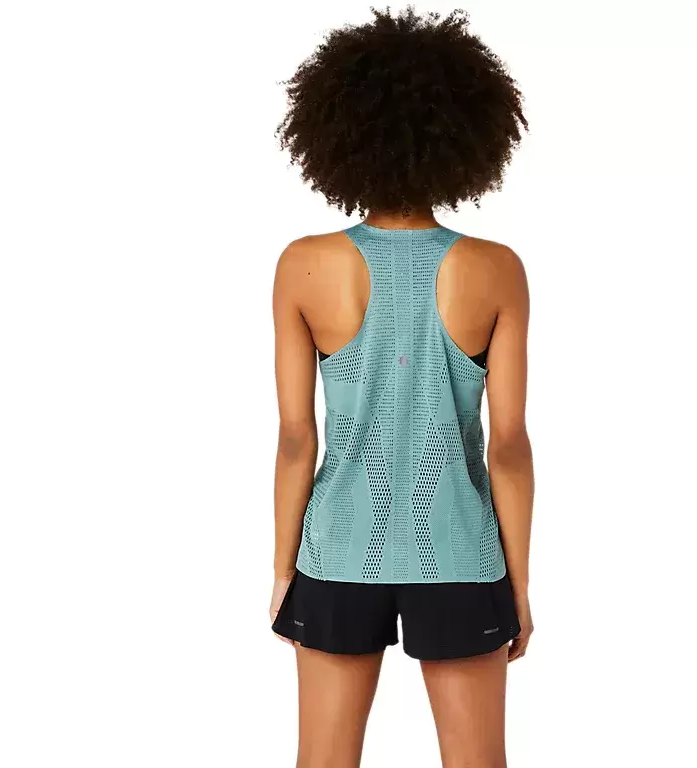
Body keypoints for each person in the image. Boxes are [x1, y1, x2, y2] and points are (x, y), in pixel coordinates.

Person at [269, 8, 535, 767]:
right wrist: (518, 584)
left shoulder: (303, 265)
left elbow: (296, 439)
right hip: (461, 554)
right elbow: (508, 445)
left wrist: (285, 570)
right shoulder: (497, 270)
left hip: (337, 551)